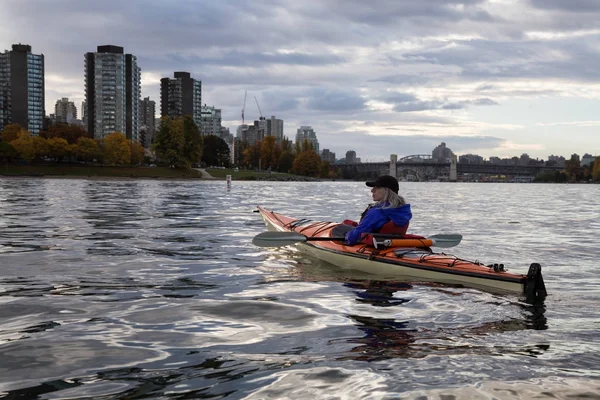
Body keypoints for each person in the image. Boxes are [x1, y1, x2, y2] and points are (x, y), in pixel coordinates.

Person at [344, 175, 412, 245]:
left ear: (386, 191)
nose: (372, 190)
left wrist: (347, 235)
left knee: (340, 230)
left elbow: (354, 237)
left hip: (374, 249)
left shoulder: (377, 211)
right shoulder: (404, 211)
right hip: (394, 246)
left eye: (377, 187)